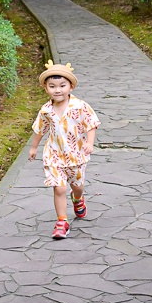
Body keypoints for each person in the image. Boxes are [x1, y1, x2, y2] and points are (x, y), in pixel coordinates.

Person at [28, 59, 100, 239]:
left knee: (77, 186)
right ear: (46, 88)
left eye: (62, 85)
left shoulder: (80, 106)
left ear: (71, 87)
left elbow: (91, 124)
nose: (57, 90)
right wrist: (34, 147)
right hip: (54, 155)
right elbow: (40, 129)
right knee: (59, 188)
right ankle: (62, 221)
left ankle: (77, 199)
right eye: (52, 86)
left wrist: (90, 143)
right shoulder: (46, 110)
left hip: (76, 155)